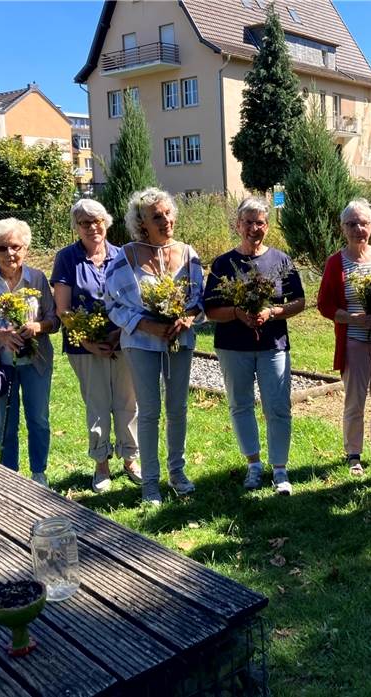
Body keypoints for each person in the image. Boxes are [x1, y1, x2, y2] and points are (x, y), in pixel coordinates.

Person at [104, 188, 204, 506]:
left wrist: (188, 319)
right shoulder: (128, 254)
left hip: (179, 341)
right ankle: (150, 483)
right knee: (148, 412)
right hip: (141, 342)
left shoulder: (188, 253)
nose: (165, 220)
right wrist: (145, 324)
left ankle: (177, 473)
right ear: (142, 223)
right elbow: (112, 302)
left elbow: (200, 299)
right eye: (156, 216)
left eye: (168, 213)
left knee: (178, 409)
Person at [202, 197, 306, 495]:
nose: (253, 228)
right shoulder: (224, 264)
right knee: (241, 405)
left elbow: (299, 301)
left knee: (278, 406)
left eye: (259, 222)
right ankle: (253, 465)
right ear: (238, 225)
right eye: (248, 222)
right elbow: (210, 311)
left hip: (273, 344)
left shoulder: (281, 260)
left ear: (267, 226)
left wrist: (272, 311)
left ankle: (280, 469)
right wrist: (236, 312)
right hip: (234, 346)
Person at [51, 199, 141, 493]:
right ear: (76, 227)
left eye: (97, 221)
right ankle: (101, 464)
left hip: (123, 341)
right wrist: (88, 342)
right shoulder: (67, 258)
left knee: (128, 402)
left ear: (107, 223)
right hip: (84, 347)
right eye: (84, 223)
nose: (92, 228)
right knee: (98, 404)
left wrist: (119, 334)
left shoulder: (122, 255)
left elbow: (134, 299)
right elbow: (63, 309)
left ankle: (131, 459)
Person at [0, 218, 58, 486]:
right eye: (2, 248)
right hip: (0, 364)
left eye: (16, 247)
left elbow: (54, 320)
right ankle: (10, 476)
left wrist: (38, 326)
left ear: (26, 248)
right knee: (6, 422)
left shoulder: (37, 279)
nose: (10, 253)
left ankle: (39, 473)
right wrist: (1, 336)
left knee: (38, 419)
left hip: (36, 362)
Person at [317, 199, 371, 476]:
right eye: (351, 224)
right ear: (343, 228)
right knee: (355, 401)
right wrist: (350, 317)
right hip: (353, 341)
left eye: (363, 223)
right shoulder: (336, 262)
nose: (358, 229)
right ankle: (353, 454)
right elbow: (324, 304)